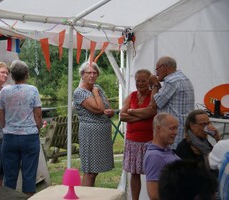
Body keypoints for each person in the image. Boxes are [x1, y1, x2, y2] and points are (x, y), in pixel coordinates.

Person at [0, 60, 42, 197]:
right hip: (29, 136)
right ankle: (28, 197)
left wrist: (5, 126)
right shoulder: (33, 90)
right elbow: (38, 114)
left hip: (10, 136)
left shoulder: (4, 91)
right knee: (29, 174)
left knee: (10, 175)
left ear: (12, 76)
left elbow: (0, 112)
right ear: (27, 75)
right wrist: (37, 129)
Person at [73, 61, 115, 187]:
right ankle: (86, 195)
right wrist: (95, 93)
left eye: (94, 73)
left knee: (95, 171)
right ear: (82, 75)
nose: (92, 75)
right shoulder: (80, 92)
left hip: (101, 133)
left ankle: (90, 194)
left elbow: (108, 108)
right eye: (88, 73)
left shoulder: (98, 87)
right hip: (90, 134)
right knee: (90, 170)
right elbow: (99, 109)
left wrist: (111, 112)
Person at [119, 69, 156, 200]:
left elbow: (151, 112)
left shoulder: (153, 94)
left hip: (149, 140)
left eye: (143, 81)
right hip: (132, 140)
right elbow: (122, 116)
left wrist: (131, 111)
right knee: (134, 173)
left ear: (149, 82)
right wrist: (142, 116)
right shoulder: (132, 95)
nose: (140, 83)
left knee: (152, 173)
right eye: (137, 81)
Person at [148, 56, 195, 149]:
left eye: (157, 69)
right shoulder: (183, 78)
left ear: (164, 67)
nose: (156, 74)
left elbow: (154, 104)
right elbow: (164, 98)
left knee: (172, 161)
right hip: (183, 130)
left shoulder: (171, 81)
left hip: (174, 133)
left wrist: (155, 84)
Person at [143, 113, 180, 200]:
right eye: (172, 128)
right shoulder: (155, 157)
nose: (176, 133)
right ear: (158, 129)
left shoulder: (165, 151)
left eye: (176, 128)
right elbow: (154, 195)